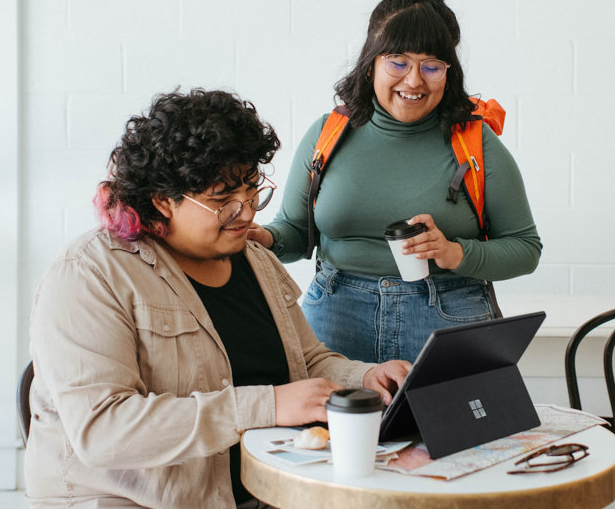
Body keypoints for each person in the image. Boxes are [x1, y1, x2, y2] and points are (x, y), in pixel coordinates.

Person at [25, 89, 410, 509]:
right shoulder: (90, 275)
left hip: (261, 488)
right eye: (222, 199)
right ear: (161, 201)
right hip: (132, 501)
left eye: (250, 189)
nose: (246, 212)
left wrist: (364, 378)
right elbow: (103, 432)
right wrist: (268, 405)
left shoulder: (255, 258)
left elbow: (308, 361)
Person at [249, 0, 542, 364]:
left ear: (448, 71)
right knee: (326, 429)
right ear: (372, 64)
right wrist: (264, 239)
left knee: (451, 427)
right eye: (398, 62)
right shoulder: (328, 133)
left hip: (447, 314)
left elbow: (525, 249)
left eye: (432, 65)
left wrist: (455, 252)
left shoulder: (476, 143)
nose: (415, 80)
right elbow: (297, 233)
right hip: (336, 313)